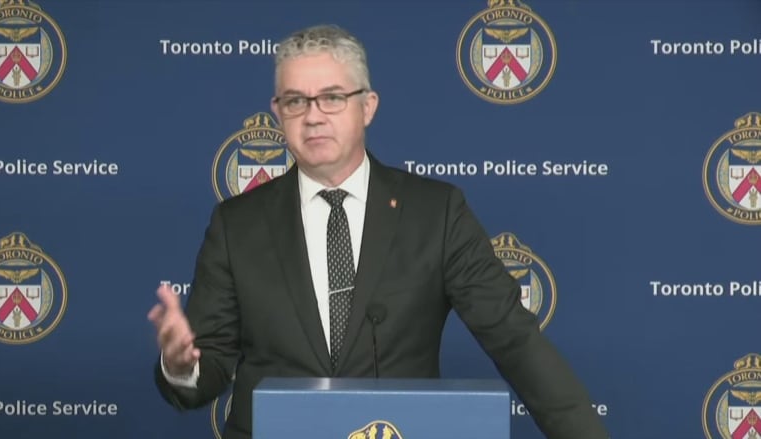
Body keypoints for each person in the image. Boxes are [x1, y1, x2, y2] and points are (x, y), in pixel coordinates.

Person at [148, 24, 609, 439]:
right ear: (277, 111)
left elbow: (515, 341)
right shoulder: (236, 224)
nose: (313, 115)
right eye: (295, 101)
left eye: (331, 97)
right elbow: (202, 378)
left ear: (367, 106)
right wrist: (180, 365)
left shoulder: (436, 212)